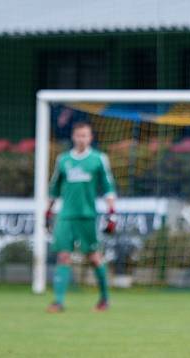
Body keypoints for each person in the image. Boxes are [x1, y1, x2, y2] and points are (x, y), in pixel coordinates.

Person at [46, 121, 117, 313]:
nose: (82, 139)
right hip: (66, 215)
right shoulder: (63, 160)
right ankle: (58, 302)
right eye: (79, 135)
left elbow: (108, 186)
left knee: (94, 257)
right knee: (63, 256)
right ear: (73, 137)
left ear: (90, 137)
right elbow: (54, 187)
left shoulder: (98, 159)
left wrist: (112, 213)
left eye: (85, 135)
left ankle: (104, 299)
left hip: (87, 215)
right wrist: (48, 210)